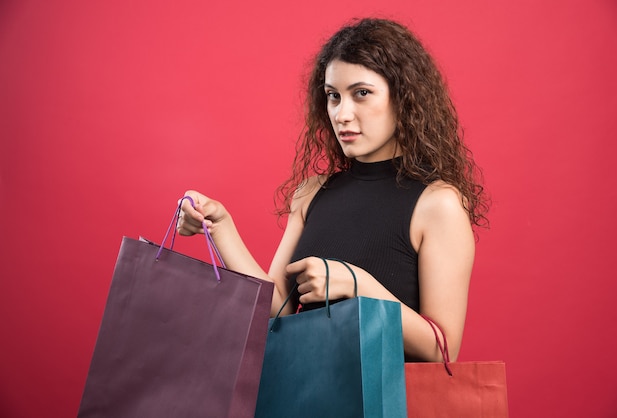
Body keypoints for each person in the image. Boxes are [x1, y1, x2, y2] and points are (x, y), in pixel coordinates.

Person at [178, 17, 488, 362]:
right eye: (333, 96)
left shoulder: (438, 204)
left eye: (362, 93)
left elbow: (442, 351)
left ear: (404, 98)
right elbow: (275, 309)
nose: (341, 114)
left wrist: (360, 285)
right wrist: (220, 225)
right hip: (304, 398)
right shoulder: (311, 193)